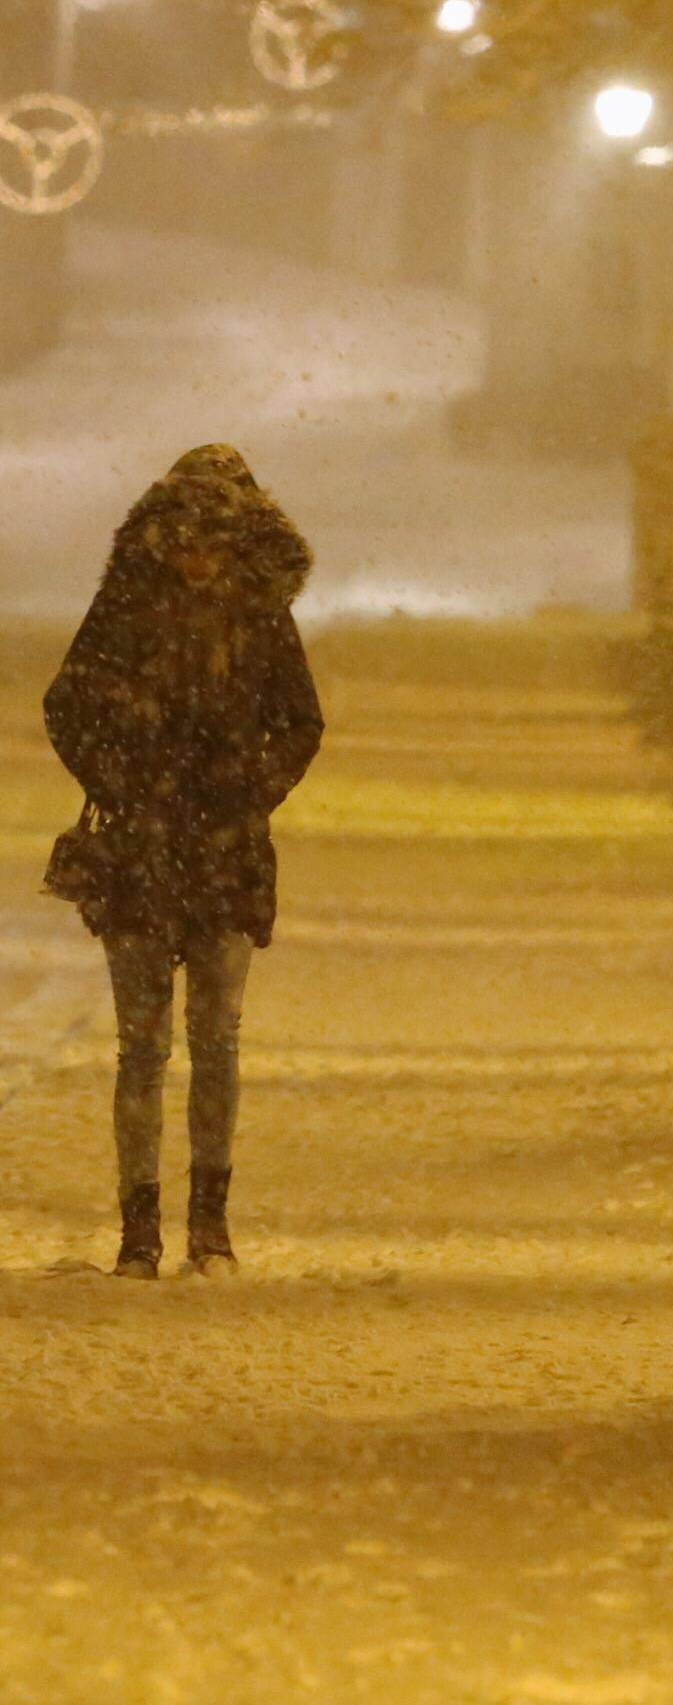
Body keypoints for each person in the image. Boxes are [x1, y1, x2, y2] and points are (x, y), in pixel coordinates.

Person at [41, 446, 324, 1279]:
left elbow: (299, 722)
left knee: (216, 1040)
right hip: (148, 850)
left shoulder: (259, 614)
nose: (198, 558)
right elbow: (68, 704)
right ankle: (143, 1231)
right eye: (186, 541)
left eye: (213, 542)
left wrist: (248, 795)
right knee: (145, 1046)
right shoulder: (127, 610)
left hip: (222, 853)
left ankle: (209, 1226)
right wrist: (122, 784)